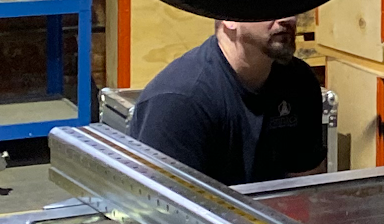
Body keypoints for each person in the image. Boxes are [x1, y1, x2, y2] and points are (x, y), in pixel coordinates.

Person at [127, 18, 326, 185]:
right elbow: (166, 210)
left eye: (291, 4)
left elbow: (308, 189)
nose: (288, 18)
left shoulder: (299, 81)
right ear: (230, 19)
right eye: (271, 4)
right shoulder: (181, 101)